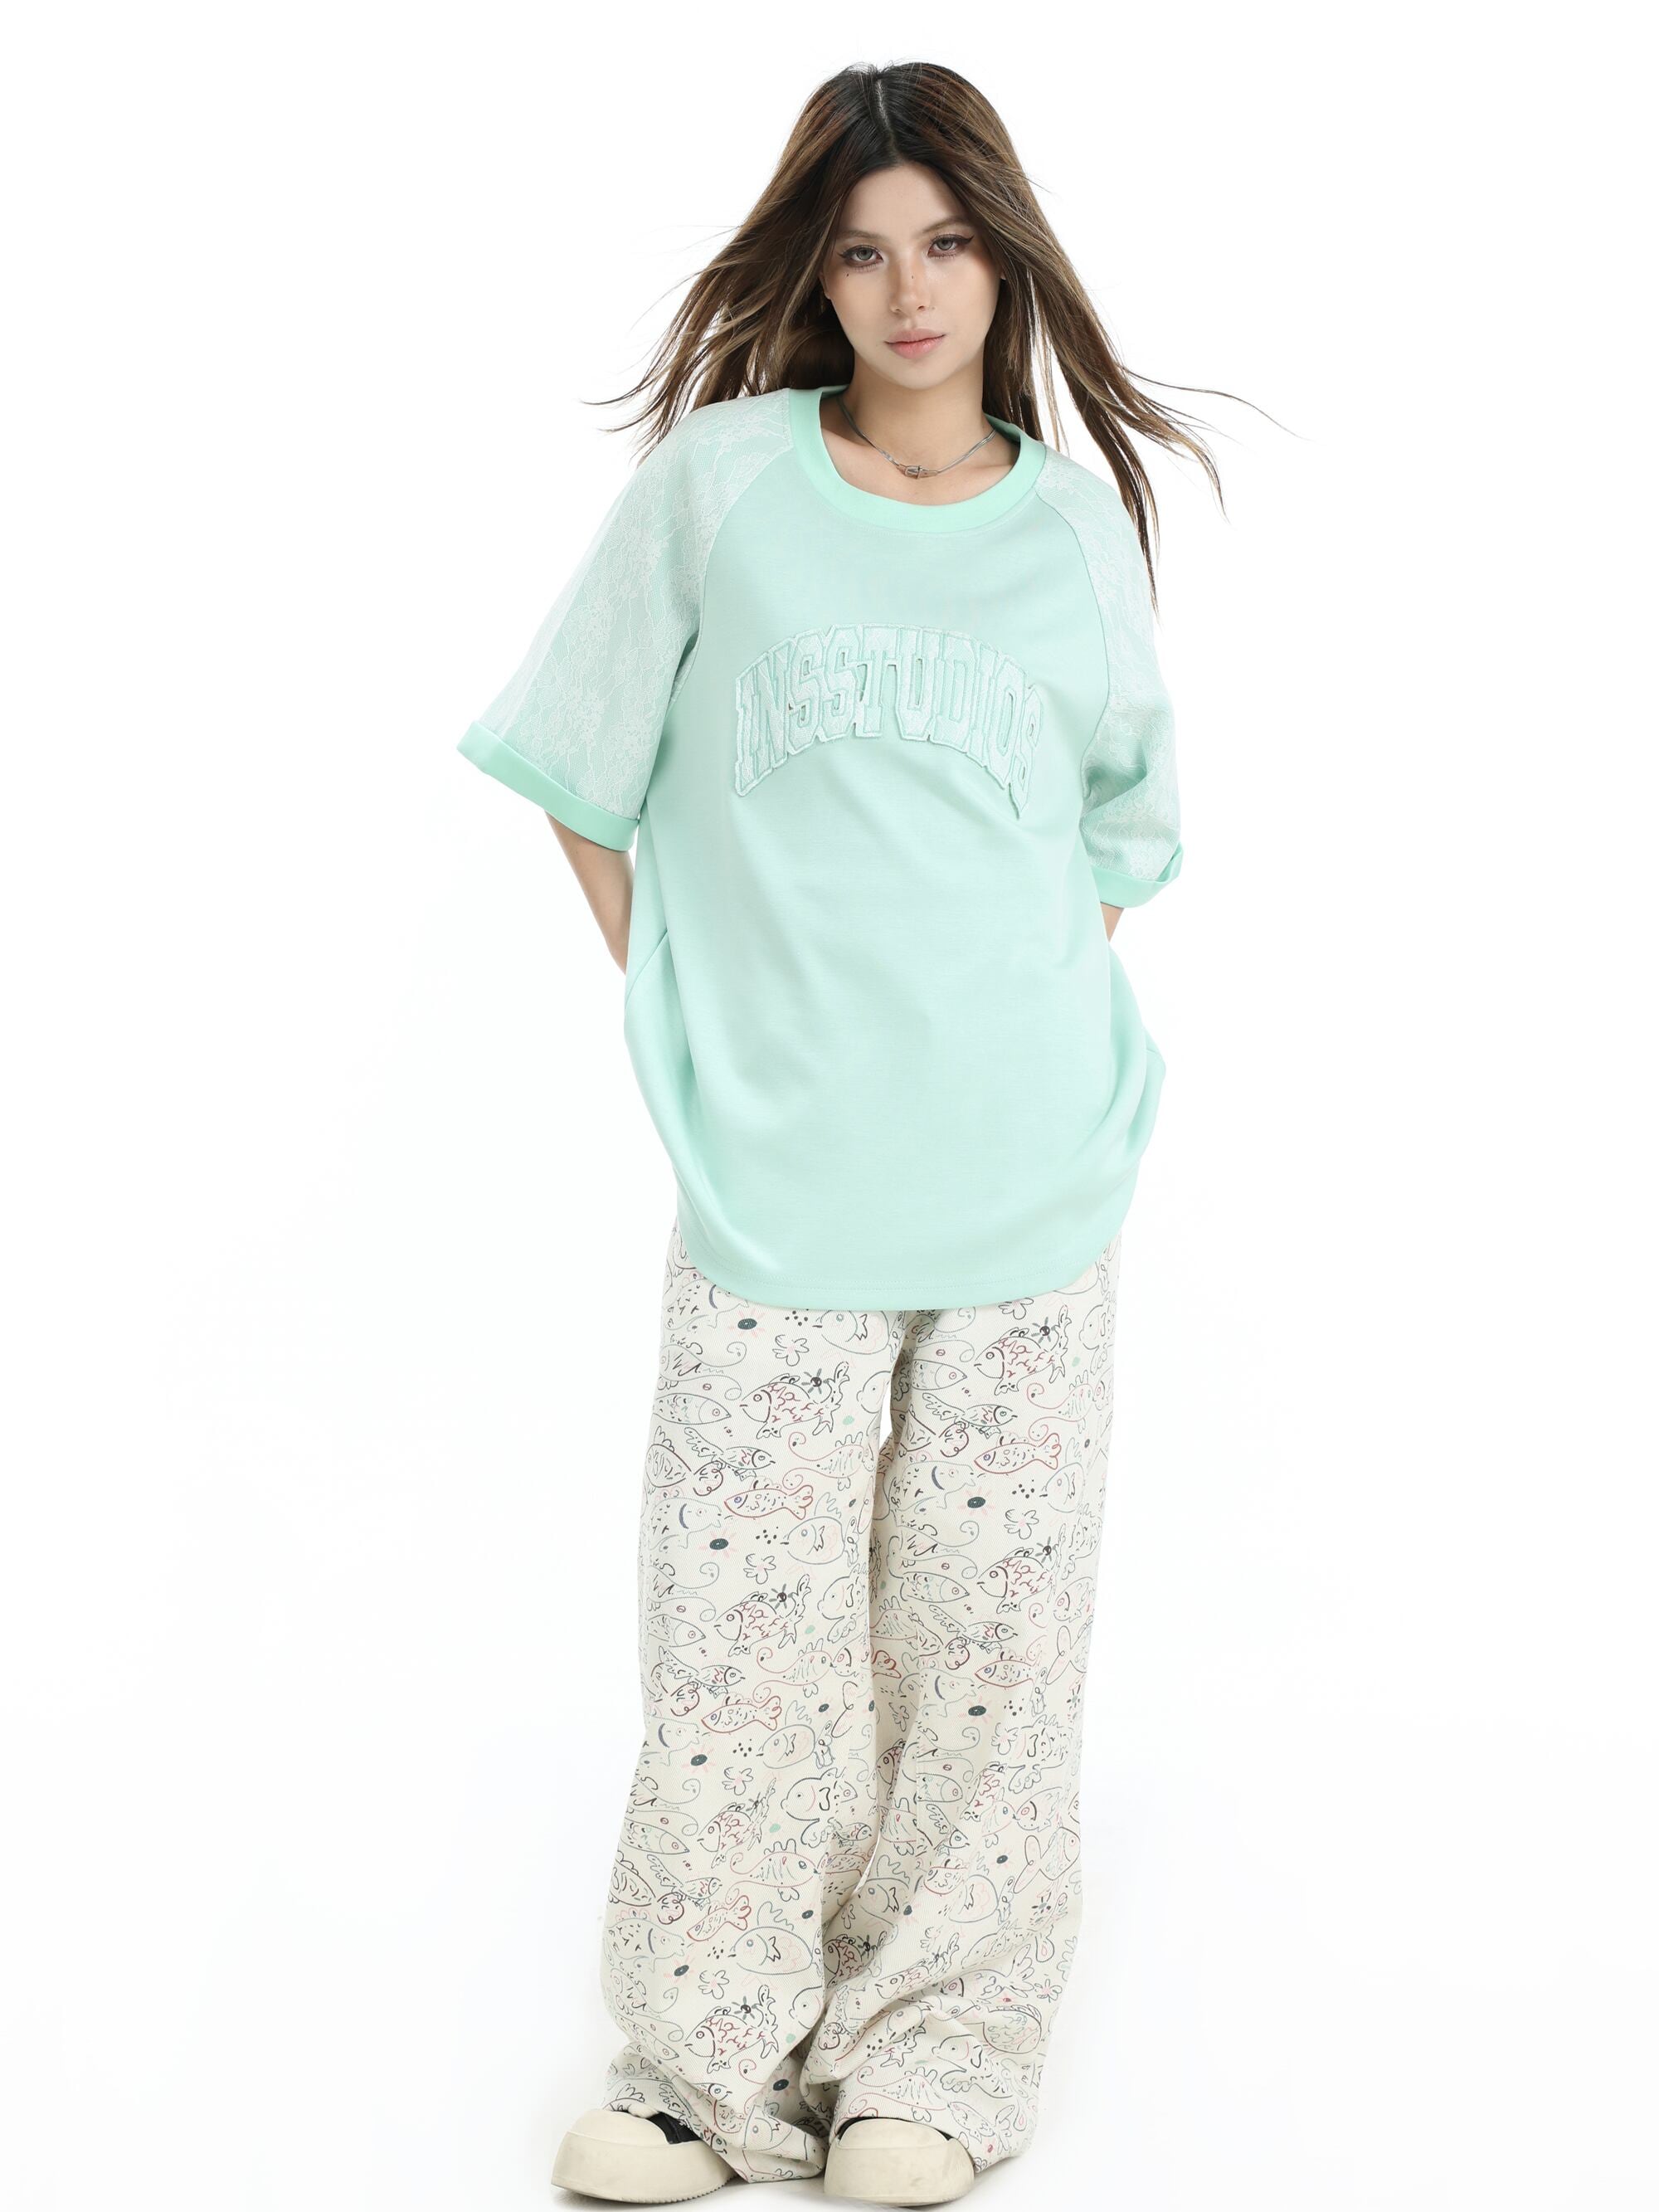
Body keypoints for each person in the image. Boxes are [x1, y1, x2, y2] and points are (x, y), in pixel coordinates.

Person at [456, 58, 1217, 2210]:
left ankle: (931, 2064)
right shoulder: (722, 490)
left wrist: (989, 1024)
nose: (910, 291)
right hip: (777, 1193)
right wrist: (700, 1011)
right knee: (739, 1652)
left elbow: (1118, 836)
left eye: (947, 244)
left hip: (1031, 1192)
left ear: (1005, 259)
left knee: (987, 1653)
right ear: (820, 269)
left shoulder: (1069, 528)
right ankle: (704, 2073)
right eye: (868, 250)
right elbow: (578, 762)